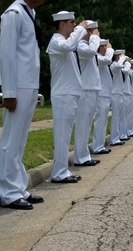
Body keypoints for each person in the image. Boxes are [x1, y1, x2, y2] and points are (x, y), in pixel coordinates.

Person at [0, 0, 47, 210]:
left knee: (20, 141)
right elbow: (6, 54)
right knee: (10, 140)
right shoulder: (13, 14)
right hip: (17, 86)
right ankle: (7, 192)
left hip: (29, 84)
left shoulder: (30, 13)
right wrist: (8, 92)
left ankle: (17, 188)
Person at [47, 11, 88, 184]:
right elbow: (69, 46)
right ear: (62, 24)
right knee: (62, 136)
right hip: (63, 94)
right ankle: (59, 173)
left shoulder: (66, 42)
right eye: (71, 22)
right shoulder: (57, 41)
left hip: (68, 94)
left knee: (65, 135)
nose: (74, 25)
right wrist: (81, 29)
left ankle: (62, 170)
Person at [72, 20, 102, 168]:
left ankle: (84, 155)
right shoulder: (80, 46)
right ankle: (80, 157)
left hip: (92, 88)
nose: (96, 34)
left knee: (87, 124)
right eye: (93, 31)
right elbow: (91, 52)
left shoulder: (89, 46)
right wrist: (95, 37)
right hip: (85, 89)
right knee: (83, 124)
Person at [91, 38, 114, 154]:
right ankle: (97, 146)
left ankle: (100, 145)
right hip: (101, 94)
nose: (106, 48)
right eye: (104, 46)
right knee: (99, 121)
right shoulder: (98, 57)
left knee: (102, 122)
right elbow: (108, 60)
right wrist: (111, 50)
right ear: (99, 47)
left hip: (105, 93)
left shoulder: (101, 59)